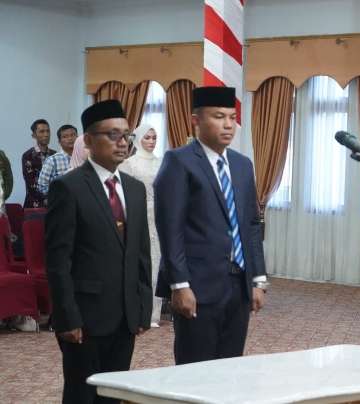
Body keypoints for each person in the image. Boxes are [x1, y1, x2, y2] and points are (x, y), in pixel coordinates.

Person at [46, 100, 152, 404]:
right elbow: (58, 261)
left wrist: (143, 308)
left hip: (125, 317)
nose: (123, 143)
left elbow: (141, 254)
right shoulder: (69, 187)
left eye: (126, 135)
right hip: (85, 318)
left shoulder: (134, 188)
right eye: (113, 135)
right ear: (89, 141)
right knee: (82, 395)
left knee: (114, 395)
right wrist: (67, 317)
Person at [155, 86, 268, 364]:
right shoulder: (179, 161)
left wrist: (258, 279)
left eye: (232, 117)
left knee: (230, 365)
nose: (228, 125)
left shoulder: (242, 165)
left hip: (238, 284)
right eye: (219, 117)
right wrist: (179, 284)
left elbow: (251, 225)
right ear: (196, 120)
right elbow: (170, 229)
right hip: (197, 286)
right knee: (195, 368)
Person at [119, 124, 163, 327]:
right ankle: (136, 309)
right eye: (147, 137)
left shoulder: (162, 162)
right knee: (139, 261)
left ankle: (154, 313)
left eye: (154, 137)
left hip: (158, 215)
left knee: (157, 261)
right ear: (138, 139)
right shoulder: (128, 164)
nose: (151, 141)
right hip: (137, 214)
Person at [22, 119, 56, 208]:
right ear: (34, 135)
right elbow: (31, 183)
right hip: (35, 204)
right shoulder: (28, 156)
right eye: (42, 131)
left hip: (55, 203)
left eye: (48, 131)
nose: (46, 134)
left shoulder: (55, 155)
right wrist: (46, 199)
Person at [37, 124, 77, 195]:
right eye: (65, 136)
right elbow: (42, 187)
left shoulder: (85, 157)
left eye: (73, 135)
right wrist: (61, 190)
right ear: (59, 142)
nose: (70, 138)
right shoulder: (52, 161)